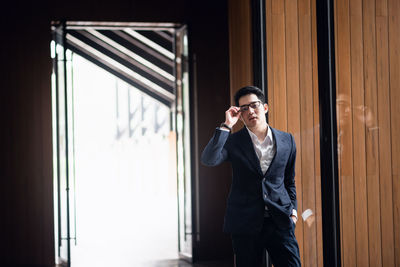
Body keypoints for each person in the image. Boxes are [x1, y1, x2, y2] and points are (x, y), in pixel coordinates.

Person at [201, 86, 301, 267]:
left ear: (265, 108)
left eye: (254, 105)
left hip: (280, 220)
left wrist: (293, 212)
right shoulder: (233, 142)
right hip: (245, 224)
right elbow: (209, 159)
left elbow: (289, 181)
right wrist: (226, 126)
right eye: (244, 108)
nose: (250, 111)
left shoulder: (287, 140)